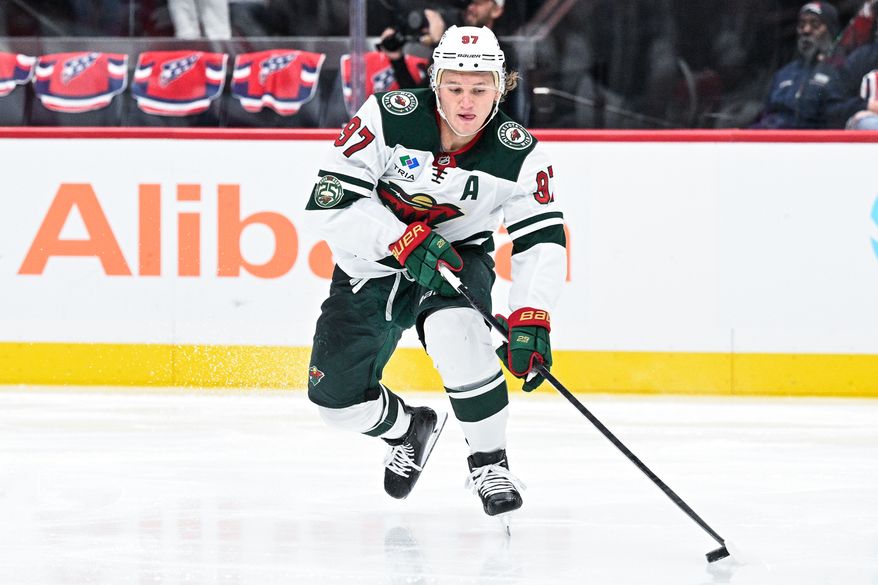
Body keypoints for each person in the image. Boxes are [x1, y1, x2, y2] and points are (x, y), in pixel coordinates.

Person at [305, 25, 566, 521]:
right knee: (334, 404)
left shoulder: (522, 155)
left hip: (456, 257)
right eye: (455, 87)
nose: (467, 103)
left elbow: (539, 240)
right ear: (434, 81)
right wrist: (397, 238)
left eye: (480, 88)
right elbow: (331, 201)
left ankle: (490, 462)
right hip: (370, 264)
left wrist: (532, 313)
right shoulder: (385, 118)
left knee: (458, 333)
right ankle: (408, 428)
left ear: (501, 87)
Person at [751, 1, 846, 129]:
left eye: (815, 24)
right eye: (802, 25)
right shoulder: (783, 73)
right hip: (772, 140)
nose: (806, 30)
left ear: (831, 30)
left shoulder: (841, 71)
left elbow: (838, 117)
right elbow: (765, 114)